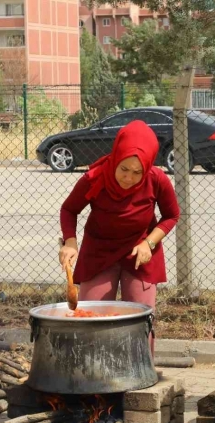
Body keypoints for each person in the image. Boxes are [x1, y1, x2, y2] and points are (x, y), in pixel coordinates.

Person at [58, 120, 180, 353]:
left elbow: (171, 215)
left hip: (140, 252)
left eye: (137, 172)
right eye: (124, 169)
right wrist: (70, 242)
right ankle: (93, 375)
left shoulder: (157, 179)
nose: (128, 178)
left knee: (141, 316)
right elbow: (69, 209)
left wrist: (149, 243)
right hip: (99, 252)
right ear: (116, 157)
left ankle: (141, 372)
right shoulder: (94, 178)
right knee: (92, 316)